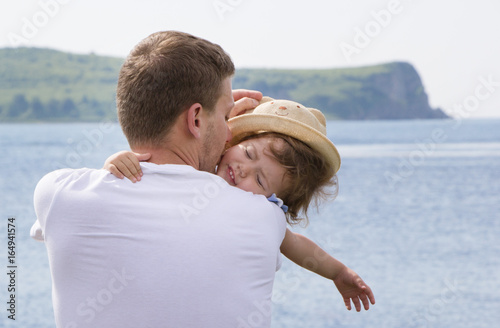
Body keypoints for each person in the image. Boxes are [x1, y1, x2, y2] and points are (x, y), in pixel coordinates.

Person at [31, 31, 287, 328]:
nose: (229, 132)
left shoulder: (57, 194)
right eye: (226, 118)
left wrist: (214, 114)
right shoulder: (263, 217)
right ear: (195, 120)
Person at [105, 97, 376, 312]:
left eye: (260, 179)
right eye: (248, 152)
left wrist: (338, 272)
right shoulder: (196, 168)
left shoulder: (262, 211)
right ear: (234, 141)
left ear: (272, 199)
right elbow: (148, 171)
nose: (244, 169)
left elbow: (295, 244)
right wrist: (118, 161)